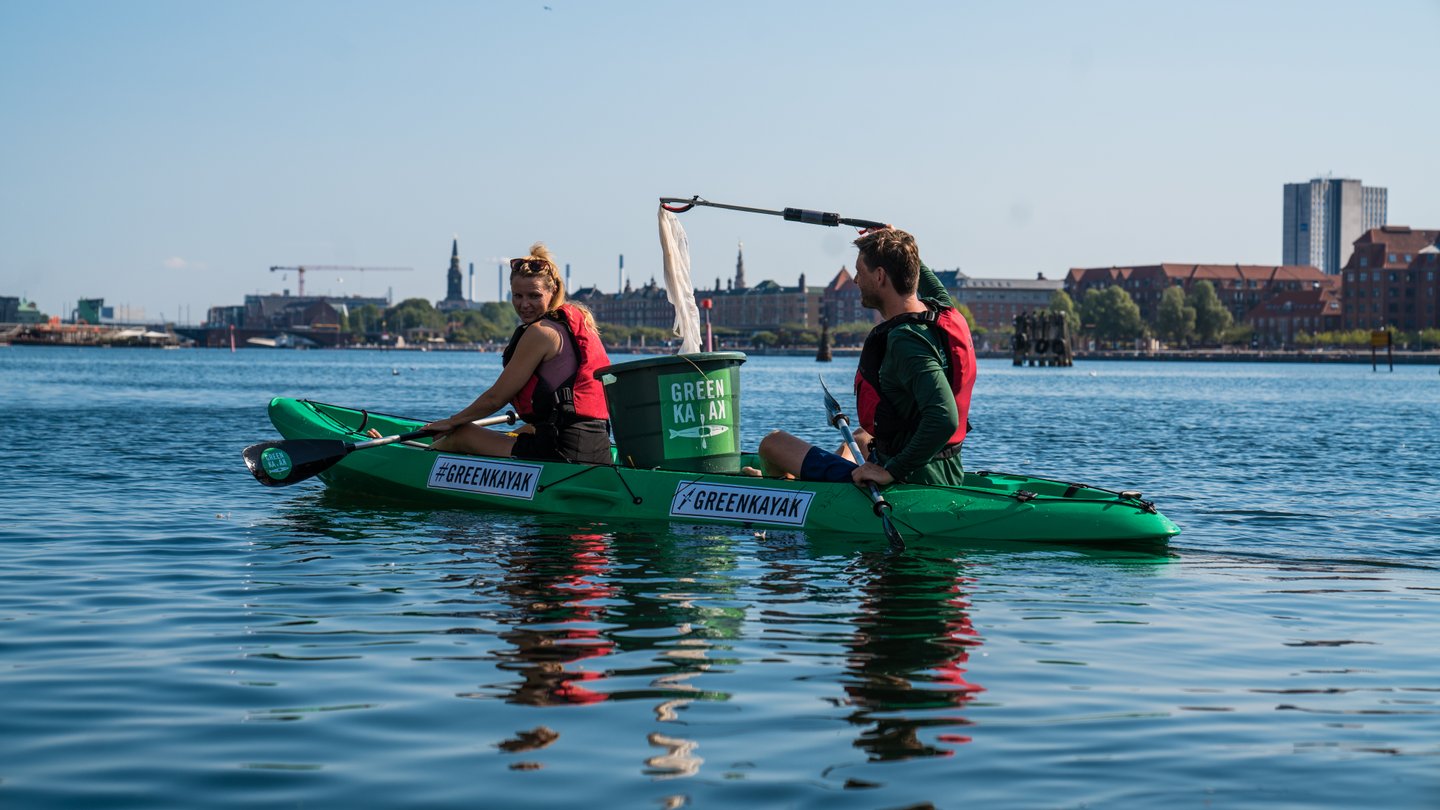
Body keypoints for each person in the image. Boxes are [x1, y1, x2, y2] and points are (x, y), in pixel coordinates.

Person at [755, 227, 975, 488]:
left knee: (773, 443)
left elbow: (944, 418)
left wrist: (891, 471)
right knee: (861, 437)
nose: (856, 280)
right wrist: (894, 239)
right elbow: (919, 273)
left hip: (911, 479)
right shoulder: (944, 311)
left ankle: (788, 487)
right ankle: (813, 483)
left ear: (880, 276)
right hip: (944, 466)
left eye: (860, 271)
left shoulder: (906, 340)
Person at [378, 243, 613, 464]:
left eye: (534, 296)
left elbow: (495, 398)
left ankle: (402, 461)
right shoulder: (579, 324)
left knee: (463, 434)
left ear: (552, 292)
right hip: (597, 449)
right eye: (517, 296)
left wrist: (451, 423)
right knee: (515, 432)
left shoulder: (541, 333)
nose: (524, 304)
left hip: (562, 451)